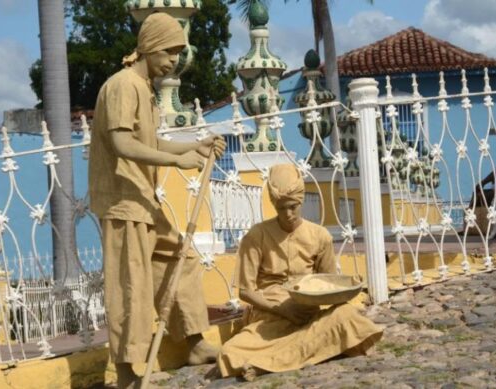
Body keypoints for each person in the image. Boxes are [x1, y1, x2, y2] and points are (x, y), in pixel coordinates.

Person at [88, 13, 226, 389]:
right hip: (121, 200)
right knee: (131, 286)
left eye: (179, 53)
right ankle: (128, 371)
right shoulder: (122, 85)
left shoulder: (144, 89)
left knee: (181, 259)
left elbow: (148, 143)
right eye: (169, 51)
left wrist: (191, 147)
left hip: (142, 199)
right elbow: (121, 143)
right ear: (148, 46)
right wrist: (177, 161)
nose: (174, 60)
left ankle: (194, 340)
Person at [217, 164, 383, 380]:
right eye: (281, 208)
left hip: (307, 315)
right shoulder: (256, 235)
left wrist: (346, 288)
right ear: (274, 205)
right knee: (229, 352)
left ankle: (268, 363)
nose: (288, 214)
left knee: (348, 317)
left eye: (293, 207)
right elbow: (246, 292)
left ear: (301, 201)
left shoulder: (319, 235)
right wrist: (282, 310)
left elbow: (330, 284)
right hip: (270, 317)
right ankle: (306, 352)